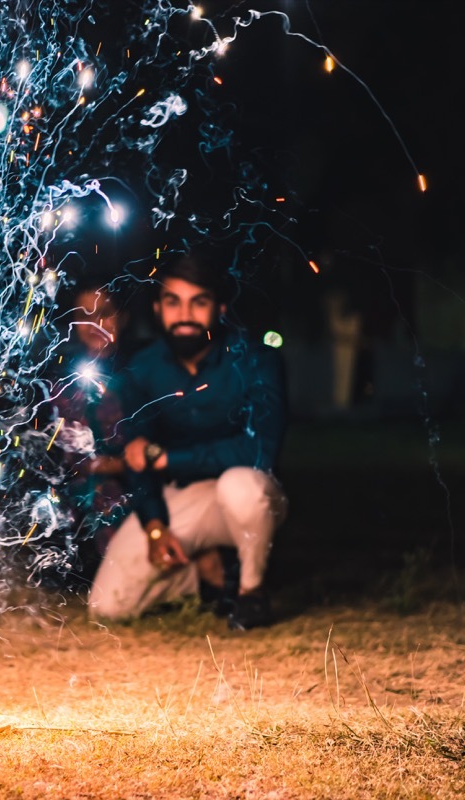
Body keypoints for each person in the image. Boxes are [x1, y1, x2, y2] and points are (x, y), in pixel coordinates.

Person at [87, 254, 288, 630]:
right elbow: (137, 457)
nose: (185, 315)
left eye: (199, 302)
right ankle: (204, 574)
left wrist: (166, 458)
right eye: (173, 302)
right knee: (107, 607)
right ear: (159, 308)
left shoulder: (255, 360)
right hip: (185, 499)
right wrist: (155, 526)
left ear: (220, 308)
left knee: (241, 487)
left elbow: (258, 452)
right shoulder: (143, 370)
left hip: (252, 496)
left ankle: (251, 593)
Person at [43, 283, 131, 586]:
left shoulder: (138, 376)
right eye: (84, 315)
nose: (95, 325)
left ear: (123, 317)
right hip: (79, 488)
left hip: (135, 487)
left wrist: (121, 465)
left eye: (104, 314)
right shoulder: (63, 381)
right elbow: (60, 453)